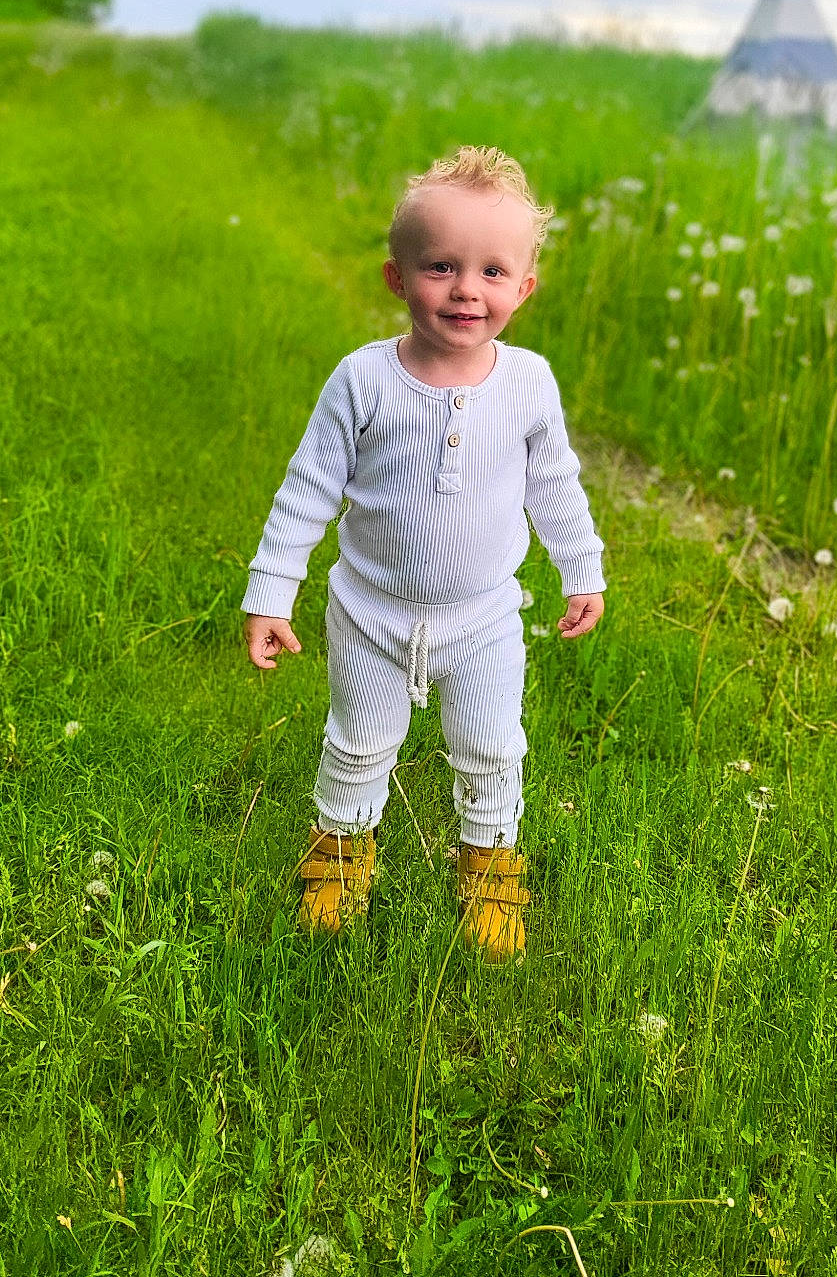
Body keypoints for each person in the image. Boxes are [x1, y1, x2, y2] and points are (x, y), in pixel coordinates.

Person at [242, 145, 605, 959]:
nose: (466, 289)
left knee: (491, 745)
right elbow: (308, 488)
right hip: (370, 612)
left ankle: (489, 870)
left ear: (524, 287)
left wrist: (581, 567)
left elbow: (554, 484)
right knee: (359, 741)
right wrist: (272, 589)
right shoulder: (364, 381)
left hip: (483, 620)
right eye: (440, 266)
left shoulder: (528, 383)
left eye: (491, 271)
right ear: (397, 278)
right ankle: (338, 857)